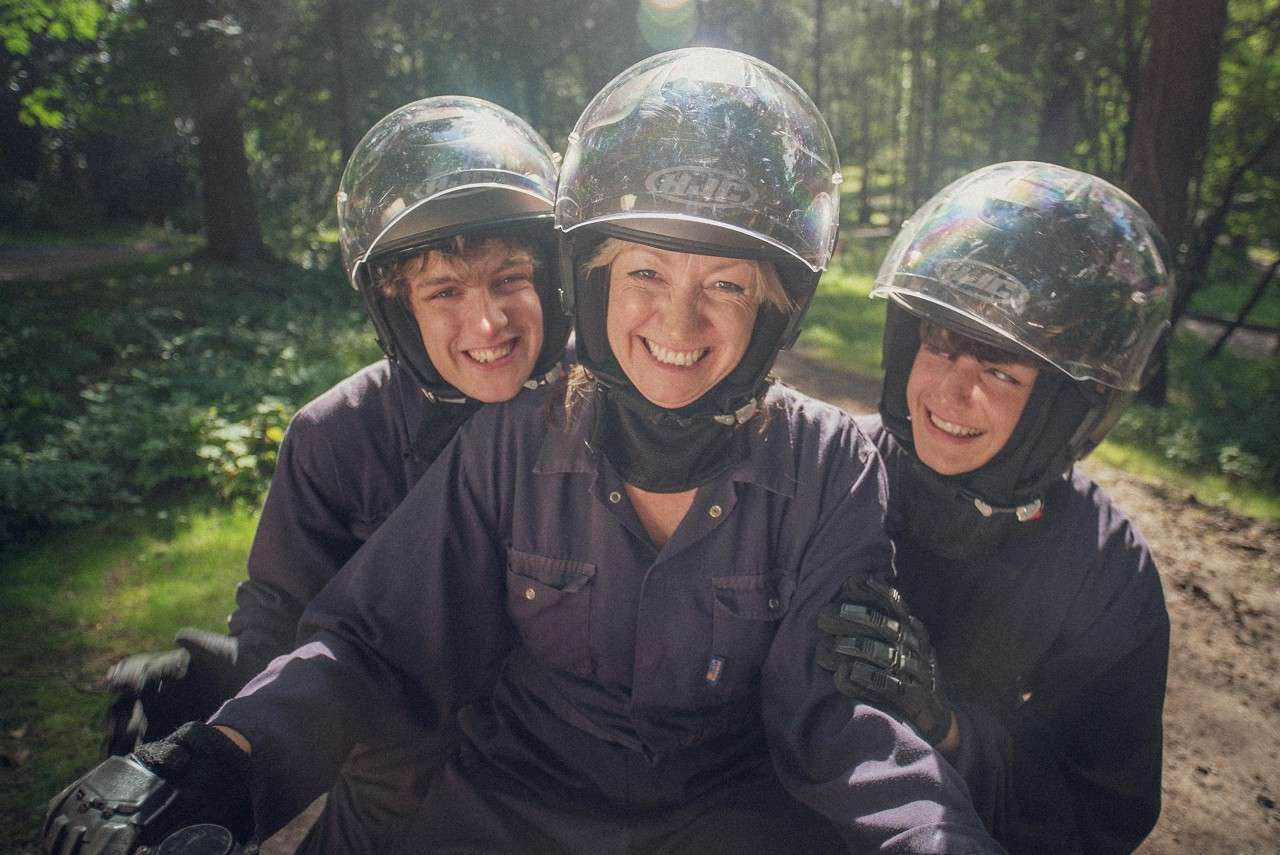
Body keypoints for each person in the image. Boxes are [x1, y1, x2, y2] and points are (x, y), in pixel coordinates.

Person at [45, 49, 1003, 854]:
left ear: (775, 308)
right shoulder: (518, 433)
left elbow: (844, 723)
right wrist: (223, 762)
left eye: (727, 285)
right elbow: (375, 641)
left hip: (723, 820)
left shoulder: (833, 466)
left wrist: (936, 838)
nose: (677, 318)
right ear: (594, 278)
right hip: (500, 815)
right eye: (645, 272)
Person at [95, 96, 572, 852]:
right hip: (400, 787)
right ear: (395, 307)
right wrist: (224, 710)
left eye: (510, 277)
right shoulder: (335, 434)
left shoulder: (606, 414)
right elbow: (282, 617)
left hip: (571, 786)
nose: (488, 324)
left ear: (553, 281)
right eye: (444, 290)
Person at [814, 161, 1172, 853]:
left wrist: (950, 729)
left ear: (1066, 405)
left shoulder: (1103, 573)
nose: (952, 392)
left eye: (1001, 370)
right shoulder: (831, 469)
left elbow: (1102, 809)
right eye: (939, 346)